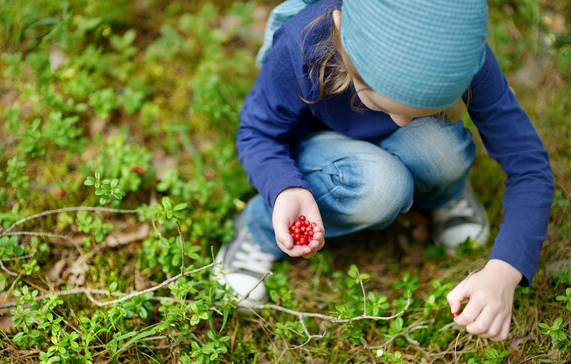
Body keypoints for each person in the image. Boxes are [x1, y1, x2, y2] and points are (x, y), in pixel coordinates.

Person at [215, 0, 554, 342]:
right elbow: (258, 134)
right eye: (378, 102)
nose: (401, 122)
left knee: (442, 151)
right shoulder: (304, 45)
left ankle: (443, 194)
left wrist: (506, 269)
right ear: (343, 34)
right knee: (382, 186)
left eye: (422, 111)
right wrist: (285, 189)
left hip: (390, 149)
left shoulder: (459, 49)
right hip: (320, 151)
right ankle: (258, 227)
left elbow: (528, 164)